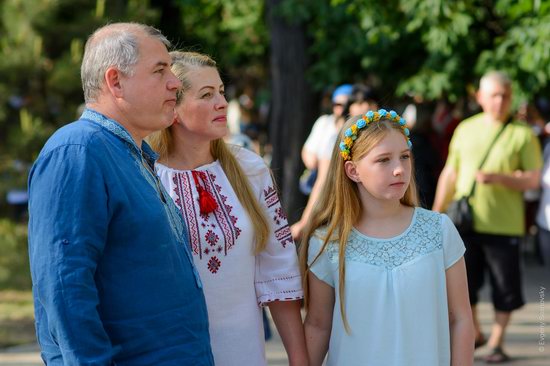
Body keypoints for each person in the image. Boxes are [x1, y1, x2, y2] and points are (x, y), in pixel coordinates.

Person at [27, 23, 214, 365]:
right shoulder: (77, 151)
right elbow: (64, 286)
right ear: (115, 82)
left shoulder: (127, 153)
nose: (175, 82)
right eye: (160, 70)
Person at [148, 51, 307, 366]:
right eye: (206, 95)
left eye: (221, 92)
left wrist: (300, 360)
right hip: (168, 353)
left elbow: (278, 269)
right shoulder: (146, 175)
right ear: (174, 109)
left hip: (242, 353)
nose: (222, 103)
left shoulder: (249, 169)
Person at [300, 109, 474, 366]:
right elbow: (317, 325)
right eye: (384, 160)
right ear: (353, 171)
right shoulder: (328, 242)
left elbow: (460, 318)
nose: (399, 170)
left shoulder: (438, 229)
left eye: (404, 157)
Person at [432, 71, 542, 363]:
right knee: (464, 283)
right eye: (493, 95)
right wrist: (434, 213)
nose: (500, 101)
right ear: (479, 97)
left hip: (504, 223)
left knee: (505, 286)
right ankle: (478, 333)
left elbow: (533, 180)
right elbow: (450, 173)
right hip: (465, 222)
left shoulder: (521, 133)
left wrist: (500, 178)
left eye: (505, 95)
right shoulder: (465, 129)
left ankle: (497, 341)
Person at [292, 84, 353, 238]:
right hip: (321, 194)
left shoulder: (356, 132)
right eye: (337, 104)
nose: (341, 109)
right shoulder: (324, 123)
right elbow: (309, 159)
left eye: (346, 104)